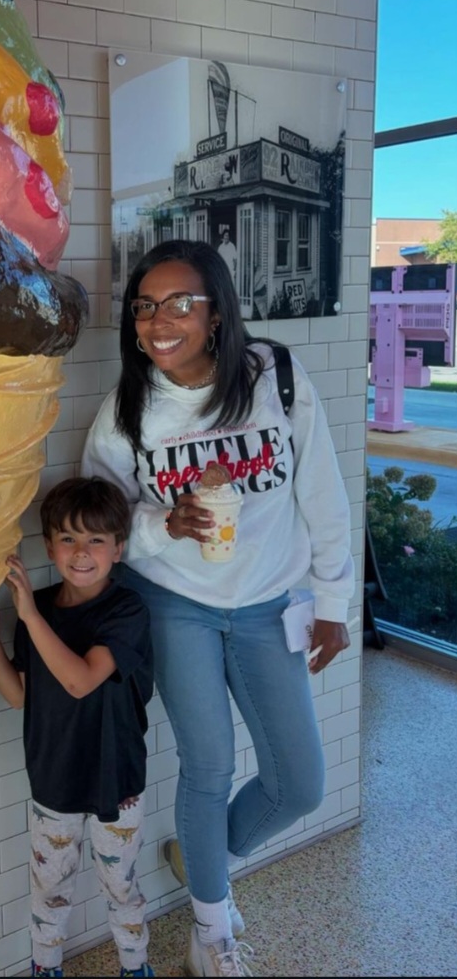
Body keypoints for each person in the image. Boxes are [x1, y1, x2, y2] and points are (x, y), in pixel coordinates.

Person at [81, 239, 354, 978]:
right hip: (176, 606)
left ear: (217, 313)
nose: (157, 321)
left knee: (298, 782)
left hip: (269, 605)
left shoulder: (277, 378)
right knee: (208, 766)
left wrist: (334, 601)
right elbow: (100, 526)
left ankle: (208, 858)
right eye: (144, 306)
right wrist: (157, 525)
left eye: (179, 304)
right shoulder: (127, 411)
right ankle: (212, 929)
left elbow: (323, 497)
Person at [0, 477, 156, 979]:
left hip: (116, 780)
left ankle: (135, 967)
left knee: (120, 885)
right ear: (49, 546)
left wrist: (30, 616)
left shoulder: (127, 610)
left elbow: (80, 681)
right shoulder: (32, 610)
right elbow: (21, 695)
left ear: (118, 549)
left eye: (96, 540)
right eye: (68, 539)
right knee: (48, 888)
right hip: (53, 776)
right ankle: (45, 968)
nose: (82, 552)